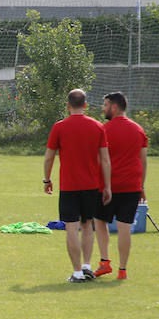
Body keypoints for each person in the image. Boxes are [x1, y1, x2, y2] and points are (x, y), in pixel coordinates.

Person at [43, 89, 111, 283]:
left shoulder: (59, 127)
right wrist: (107, 186)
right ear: (85, 105)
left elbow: (49, 157)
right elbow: (105, 160)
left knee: (71, 228)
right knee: (87, 225)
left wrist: (47, 180)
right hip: (91, 186)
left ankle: (77, 272)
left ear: (68, 106)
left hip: (69, 186)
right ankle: (87, 266)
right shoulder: (98, 127)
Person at [93, 92, 148, 280]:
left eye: (105, 105)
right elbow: (143, 161)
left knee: (99, 221)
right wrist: (141, 186)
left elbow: (99, 159)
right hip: (132, 186)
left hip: (107, 186)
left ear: (114, 107)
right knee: (125, 228)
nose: (103, 108)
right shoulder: (138, 129)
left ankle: (104, 262)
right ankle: (122, 270)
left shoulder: (103, 130)